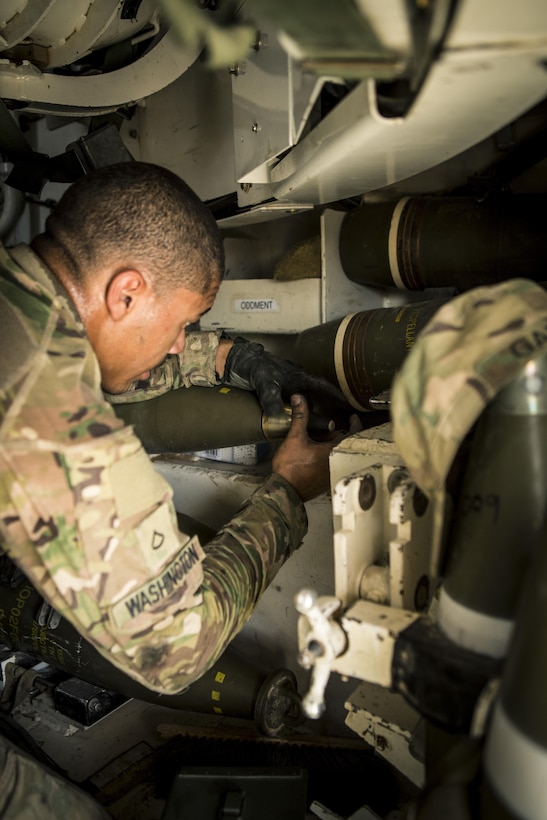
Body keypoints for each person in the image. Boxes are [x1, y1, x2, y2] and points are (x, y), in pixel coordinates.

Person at [0, 160, 350, 698]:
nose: (180, 342)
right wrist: (287, 494)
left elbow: (97, 365)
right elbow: (177, 644)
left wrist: (232, 358)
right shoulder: (55, 425)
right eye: (185, 324)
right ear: (127, 293)